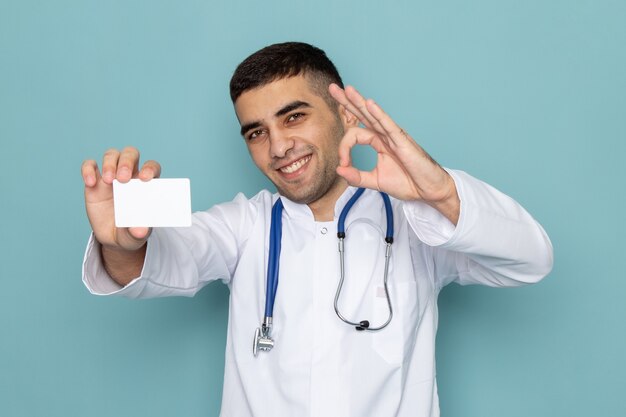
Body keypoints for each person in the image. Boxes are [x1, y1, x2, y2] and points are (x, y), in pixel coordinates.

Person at [81, 42, 553, 416]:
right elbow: (155, 264)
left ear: (345, 115)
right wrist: (120, 245)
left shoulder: (416, 223)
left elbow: (531, 259)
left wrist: (439, 191)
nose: (279, 146)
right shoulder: (243, 225)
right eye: (256, 132)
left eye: (294, 116)